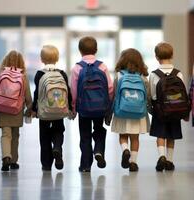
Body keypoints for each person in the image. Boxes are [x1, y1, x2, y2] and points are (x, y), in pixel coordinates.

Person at [71, 36, 114, 172]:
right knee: (99, 130)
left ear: (80, 50)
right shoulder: (102, 66)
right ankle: (99, 151)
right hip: (100, 107)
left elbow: (73, 91)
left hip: (83, 109)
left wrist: (73, 108)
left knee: (85, 136)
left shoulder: (77, 68)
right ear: (96, 50)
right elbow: (110, 88)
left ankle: (85, 165)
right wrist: (108, 107)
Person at [0, 50, 32, 171]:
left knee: (5, 135)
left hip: (2, 109)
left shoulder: (1, 74)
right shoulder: (22, 76)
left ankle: (6, 157)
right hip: (16, 110)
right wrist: (30, 108)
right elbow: (27, 95)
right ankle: (13, 161)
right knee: (15, 135)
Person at [32, 45, 72, 171]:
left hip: (44, 111)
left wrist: (34, 109)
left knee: (44, 136)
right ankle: (57, 148)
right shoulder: (62, 74)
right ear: (57, 58)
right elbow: (68, 92)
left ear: (42, 59)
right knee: (59, 130)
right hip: (59, 109)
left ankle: (46, 164)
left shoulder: (39, 74)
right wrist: (70, 107)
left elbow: (37, 93)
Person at [111, 48, 151, 172]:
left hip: (122, 111)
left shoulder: (118, 75)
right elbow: (148, 95)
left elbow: (114, 94)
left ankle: (125, 150)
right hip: (138, 113)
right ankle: (133, 163)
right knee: (135, 138)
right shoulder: (143, 77)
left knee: (123, 136)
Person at [149, 42, 186, 172]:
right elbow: (183, 94)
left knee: (161, 134)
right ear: (172, 55)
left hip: (160, 110)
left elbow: (153, 95)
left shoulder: (154, 74)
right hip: (175, 110)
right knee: (171, 136)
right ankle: (170, 161)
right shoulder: (178, 74)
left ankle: (161, 156)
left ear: (156, 57)